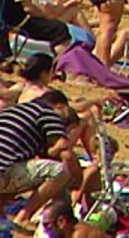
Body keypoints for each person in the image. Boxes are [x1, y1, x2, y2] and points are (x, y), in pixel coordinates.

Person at [0, 91, 79, 230]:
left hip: (5, 167)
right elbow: (66, 155)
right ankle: (24, 216)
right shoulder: (48, 113)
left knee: (21, 169)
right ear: (60, 106)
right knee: (60, 172)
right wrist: (78, 180)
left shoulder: (14, 111)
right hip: (4, 172)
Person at [38, 200, 107, 237]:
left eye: (46, 225)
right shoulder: (71, 232)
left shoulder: (80, 235)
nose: (44, 230)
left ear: (61, 222)